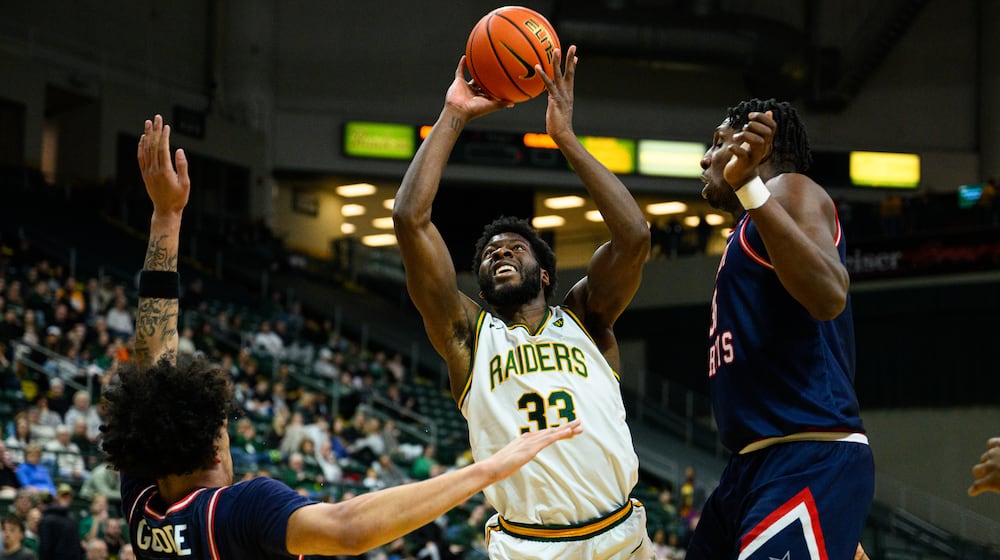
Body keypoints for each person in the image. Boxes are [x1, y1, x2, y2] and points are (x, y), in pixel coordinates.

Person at [98, 114, 582, 559]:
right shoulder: (233, 510)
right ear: (213, 445)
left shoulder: (145, 501)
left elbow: (152, 367)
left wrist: (166, 215)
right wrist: (488, 470)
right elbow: (348, 528)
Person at [392, 46, 654, 559]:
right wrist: (454, 113)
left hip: (623, 538)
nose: (500, 253)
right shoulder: (468, 336)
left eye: (515, 248)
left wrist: (566, 139)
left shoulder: (587, 319)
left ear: (546, 272)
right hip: (530, 548)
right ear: (481, 280)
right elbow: (409, 219)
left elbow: (634, 237)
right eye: (490, 253)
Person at [688, 98, 874, 559]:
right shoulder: (752, 226)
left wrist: (751, 186)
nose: (705, 158)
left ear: (757, 147)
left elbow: (830, 294)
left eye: (717, 143)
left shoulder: (792, 189)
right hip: (752, 465)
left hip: (806, 451)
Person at [38, 484, 80, 560]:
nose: (66, 499)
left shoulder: (71, 520)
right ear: (56, 497)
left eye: (68, 496)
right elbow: (45, 548)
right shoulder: (47, 519)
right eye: (63, 496)